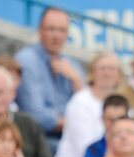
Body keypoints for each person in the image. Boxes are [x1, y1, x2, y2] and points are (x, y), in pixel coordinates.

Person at [14, 7, 83, 144]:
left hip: (69, 136)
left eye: (62, 30)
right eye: (51, 29)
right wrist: (74, 123)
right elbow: (35, 115)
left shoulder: (71, 65)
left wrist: (76, 81)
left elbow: (89, 108)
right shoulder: (26, 60)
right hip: (38, 138)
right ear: (39, 30)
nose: (56, 36)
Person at [52, 51, 122, 157]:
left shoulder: (122, 103)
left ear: (119, 75)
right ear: (92, 73)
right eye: (102, 68)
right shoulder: (80, 101)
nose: (107, 73)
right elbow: (87, 151)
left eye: (112, 69)